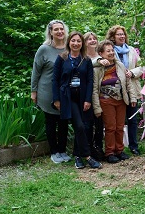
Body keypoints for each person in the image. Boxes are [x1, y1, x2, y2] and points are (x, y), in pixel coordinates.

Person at [52, 31, 101, 169]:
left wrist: (88, 99)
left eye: (78, 41)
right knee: (79, 126)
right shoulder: (62, 58)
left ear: (82, 43)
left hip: (83, 97)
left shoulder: (85, 60)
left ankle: (78, 156)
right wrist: (56, 99)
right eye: (73, 40)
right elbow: (55, 79)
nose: (76, 43)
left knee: (85, 127)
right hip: (68, 98)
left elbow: (90, 81)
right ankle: (88, 156)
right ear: (69, 42)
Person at [31, 19, 71, 164]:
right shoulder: (44, 49)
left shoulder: (69, 48)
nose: (60, 31)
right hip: (47, 91)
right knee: (51, 121)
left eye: (62, 29)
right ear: (51, 32)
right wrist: (33, 91)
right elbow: (36, 71)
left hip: (65, 92)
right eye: (56, 29)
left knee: (64, 122)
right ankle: (54, 152)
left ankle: (62, 150)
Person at [92, 40, 138, 163]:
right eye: (108, 51)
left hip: (121, 100)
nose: (111, 53)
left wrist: (133, 97)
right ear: (101, 53)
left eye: (112, 50)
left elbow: (128, 84)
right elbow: (94, 90)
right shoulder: (97, 69)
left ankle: (119, 150)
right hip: (106, 102)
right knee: (110, 127)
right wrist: (97, 107)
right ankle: (109, 152)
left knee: (120, 126)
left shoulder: (120, 66)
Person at [105, 25, 143, 156]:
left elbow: (141, 67)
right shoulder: (109, 51)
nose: (122, 36)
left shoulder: (131, 50)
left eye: (123, 34)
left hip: (132, 88)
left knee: (132, 119)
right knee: (117, 122)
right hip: (117, 91)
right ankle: (117, 148)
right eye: (118, 35)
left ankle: (134, 146)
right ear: (113, 37)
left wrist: (132, 73)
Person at [84, 32, 106, 160]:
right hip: (87, 95)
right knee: (87, 125)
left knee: (99, 125)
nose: (92, 41)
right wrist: (98, 61)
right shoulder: (83, 57)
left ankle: (99, 148)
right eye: (89, 39)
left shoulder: (101, 54)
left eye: (94, 39)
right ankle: (88, 149)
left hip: (102, 95)